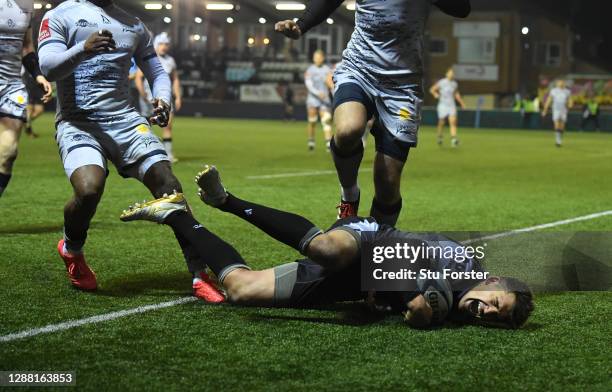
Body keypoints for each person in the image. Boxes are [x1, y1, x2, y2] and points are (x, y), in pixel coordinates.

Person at [120, 165, 534, 329]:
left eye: (498, 318)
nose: (490, 311)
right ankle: (226, 201)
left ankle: (176, 213)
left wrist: (400, 307)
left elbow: (413, 309)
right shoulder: (462, 264)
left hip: (354, 286)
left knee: (240, 291)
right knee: (328, 250)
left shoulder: (460, 312)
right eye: (498, 301)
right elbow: (405, 264)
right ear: (493, 280)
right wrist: (411, 299)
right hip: (370, 242)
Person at [37, 0, 222, 302]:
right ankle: (71, 249)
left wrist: (162, 99)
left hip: (125, 121)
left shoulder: (134, 24)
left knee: (169, 185)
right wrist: (84, 48)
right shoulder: (60, 14)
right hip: (78, 122)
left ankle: (200, 273)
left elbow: (157, 73)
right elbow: (48, 66)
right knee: (88, 190)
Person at [275, 0, 471, 224]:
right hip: (359, 68)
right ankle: (349, 195)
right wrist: (301, 25)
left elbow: (462, 8)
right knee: (348, 130)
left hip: (402, 85)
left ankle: (373, 248)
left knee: (387, 184)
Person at [0, 0, 53, 197]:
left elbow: (27, 47)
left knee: (7, 153)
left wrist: (37, 74)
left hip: (11, 86)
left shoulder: (27, 6)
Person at [135, 32, 182, 163]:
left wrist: (178, 96)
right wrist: (142, 93)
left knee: (168, 125)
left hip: (165, 98)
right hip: (149, 98)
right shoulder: (150, 58)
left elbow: (175, 79)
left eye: (166, 44)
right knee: (146, 126)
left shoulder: (170, 61)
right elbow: (139, 76)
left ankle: (168, 154)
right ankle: (146, 152)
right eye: (161, 43)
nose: (164, 47)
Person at [304, 50, 333, 151]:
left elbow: (331, 82)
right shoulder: (310, 70)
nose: (317, 59)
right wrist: (317, 93)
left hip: (324, 99)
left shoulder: (327, 70)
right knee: (312, 121)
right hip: (313, 99)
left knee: (326, 120)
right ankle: (311, 141)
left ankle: (329, 143)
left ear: (323, 58)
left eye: (319, 57)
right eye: (315, 57)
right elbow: (309, 85)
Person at [430, 68, 465, 147]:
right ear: (447, 74)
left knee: (453, 121)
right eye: (450, 73)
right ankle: (440, 137)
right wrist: (435, 94)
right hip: (442, 105)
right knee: (441, 122)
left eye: (453, 73)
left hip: (451, 105)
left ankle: (453, 139)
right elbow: (432, 89)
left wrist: (462, 103)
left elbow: (456, 94)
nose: (452, 74)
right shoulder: (442, 82)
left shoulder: (454, 84)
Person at [542, 80, 573, 147]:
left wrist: (570, 104)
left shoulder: (567, 91)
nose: (561, 84)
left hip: (563, 110)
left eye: (562, 82)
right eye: (560, 82)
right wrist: (545, 110)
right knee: (556, 123)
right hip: (556, 109)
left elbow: (570, 99)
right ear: (557, 84)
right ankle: (558, 140)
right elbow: (549, 100)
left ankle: (560, 138)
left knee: (562, 126)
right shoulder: (554, 91)